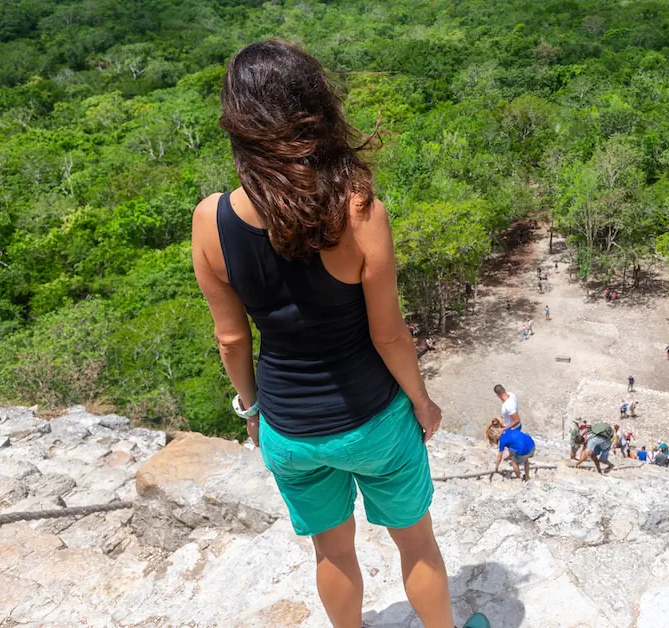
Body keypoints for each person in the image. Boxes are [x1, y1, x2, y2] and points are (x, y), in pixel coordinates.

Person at [192, 40, 487, 628]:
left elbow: (231, 340)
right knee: (416, 544)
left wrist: (253, 411)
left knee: (331, 550)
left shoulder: (211, 219)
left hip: (288, 430)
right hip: (372, 419)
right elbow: (389, 335)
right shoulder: (357, 212)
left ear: (239, 126)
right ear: (316, 109)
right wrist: (423, 402)